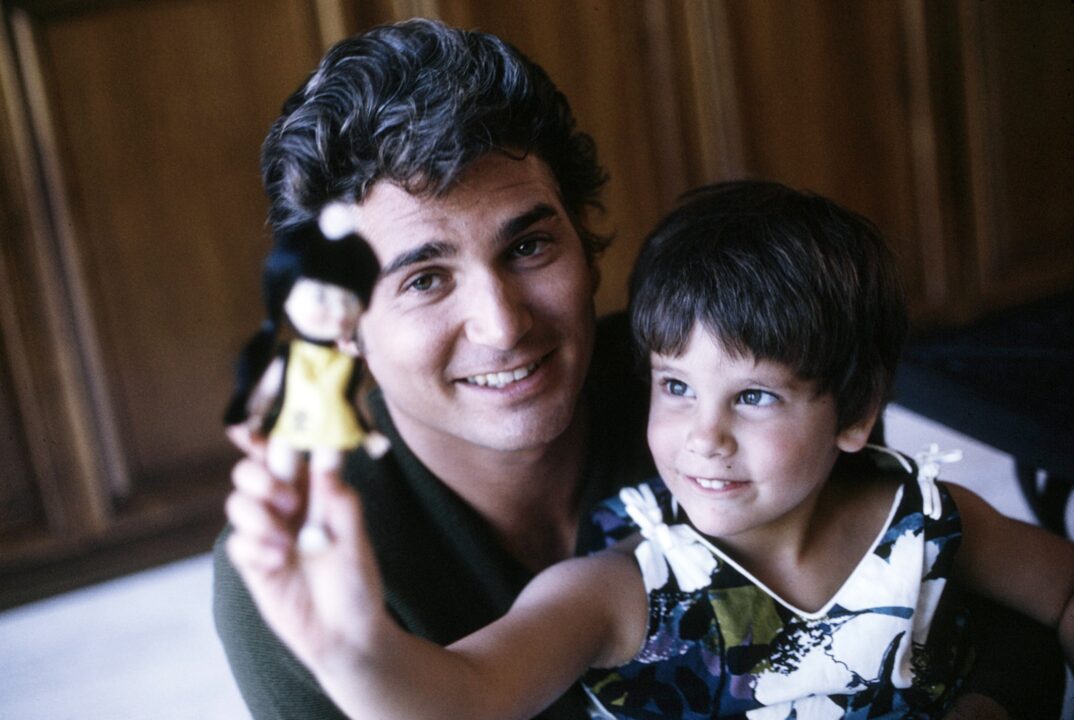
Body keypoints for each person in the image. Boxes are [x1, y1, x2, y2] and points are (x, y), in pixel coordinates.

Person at [214, 18, 1066, 720]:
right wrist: (352, 649)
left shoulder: (758, 378)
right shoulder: (296, 572)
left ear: (587, 246)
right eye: (425, 278)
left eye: (530, 244)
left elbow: (976, 622)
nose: (503, 324)